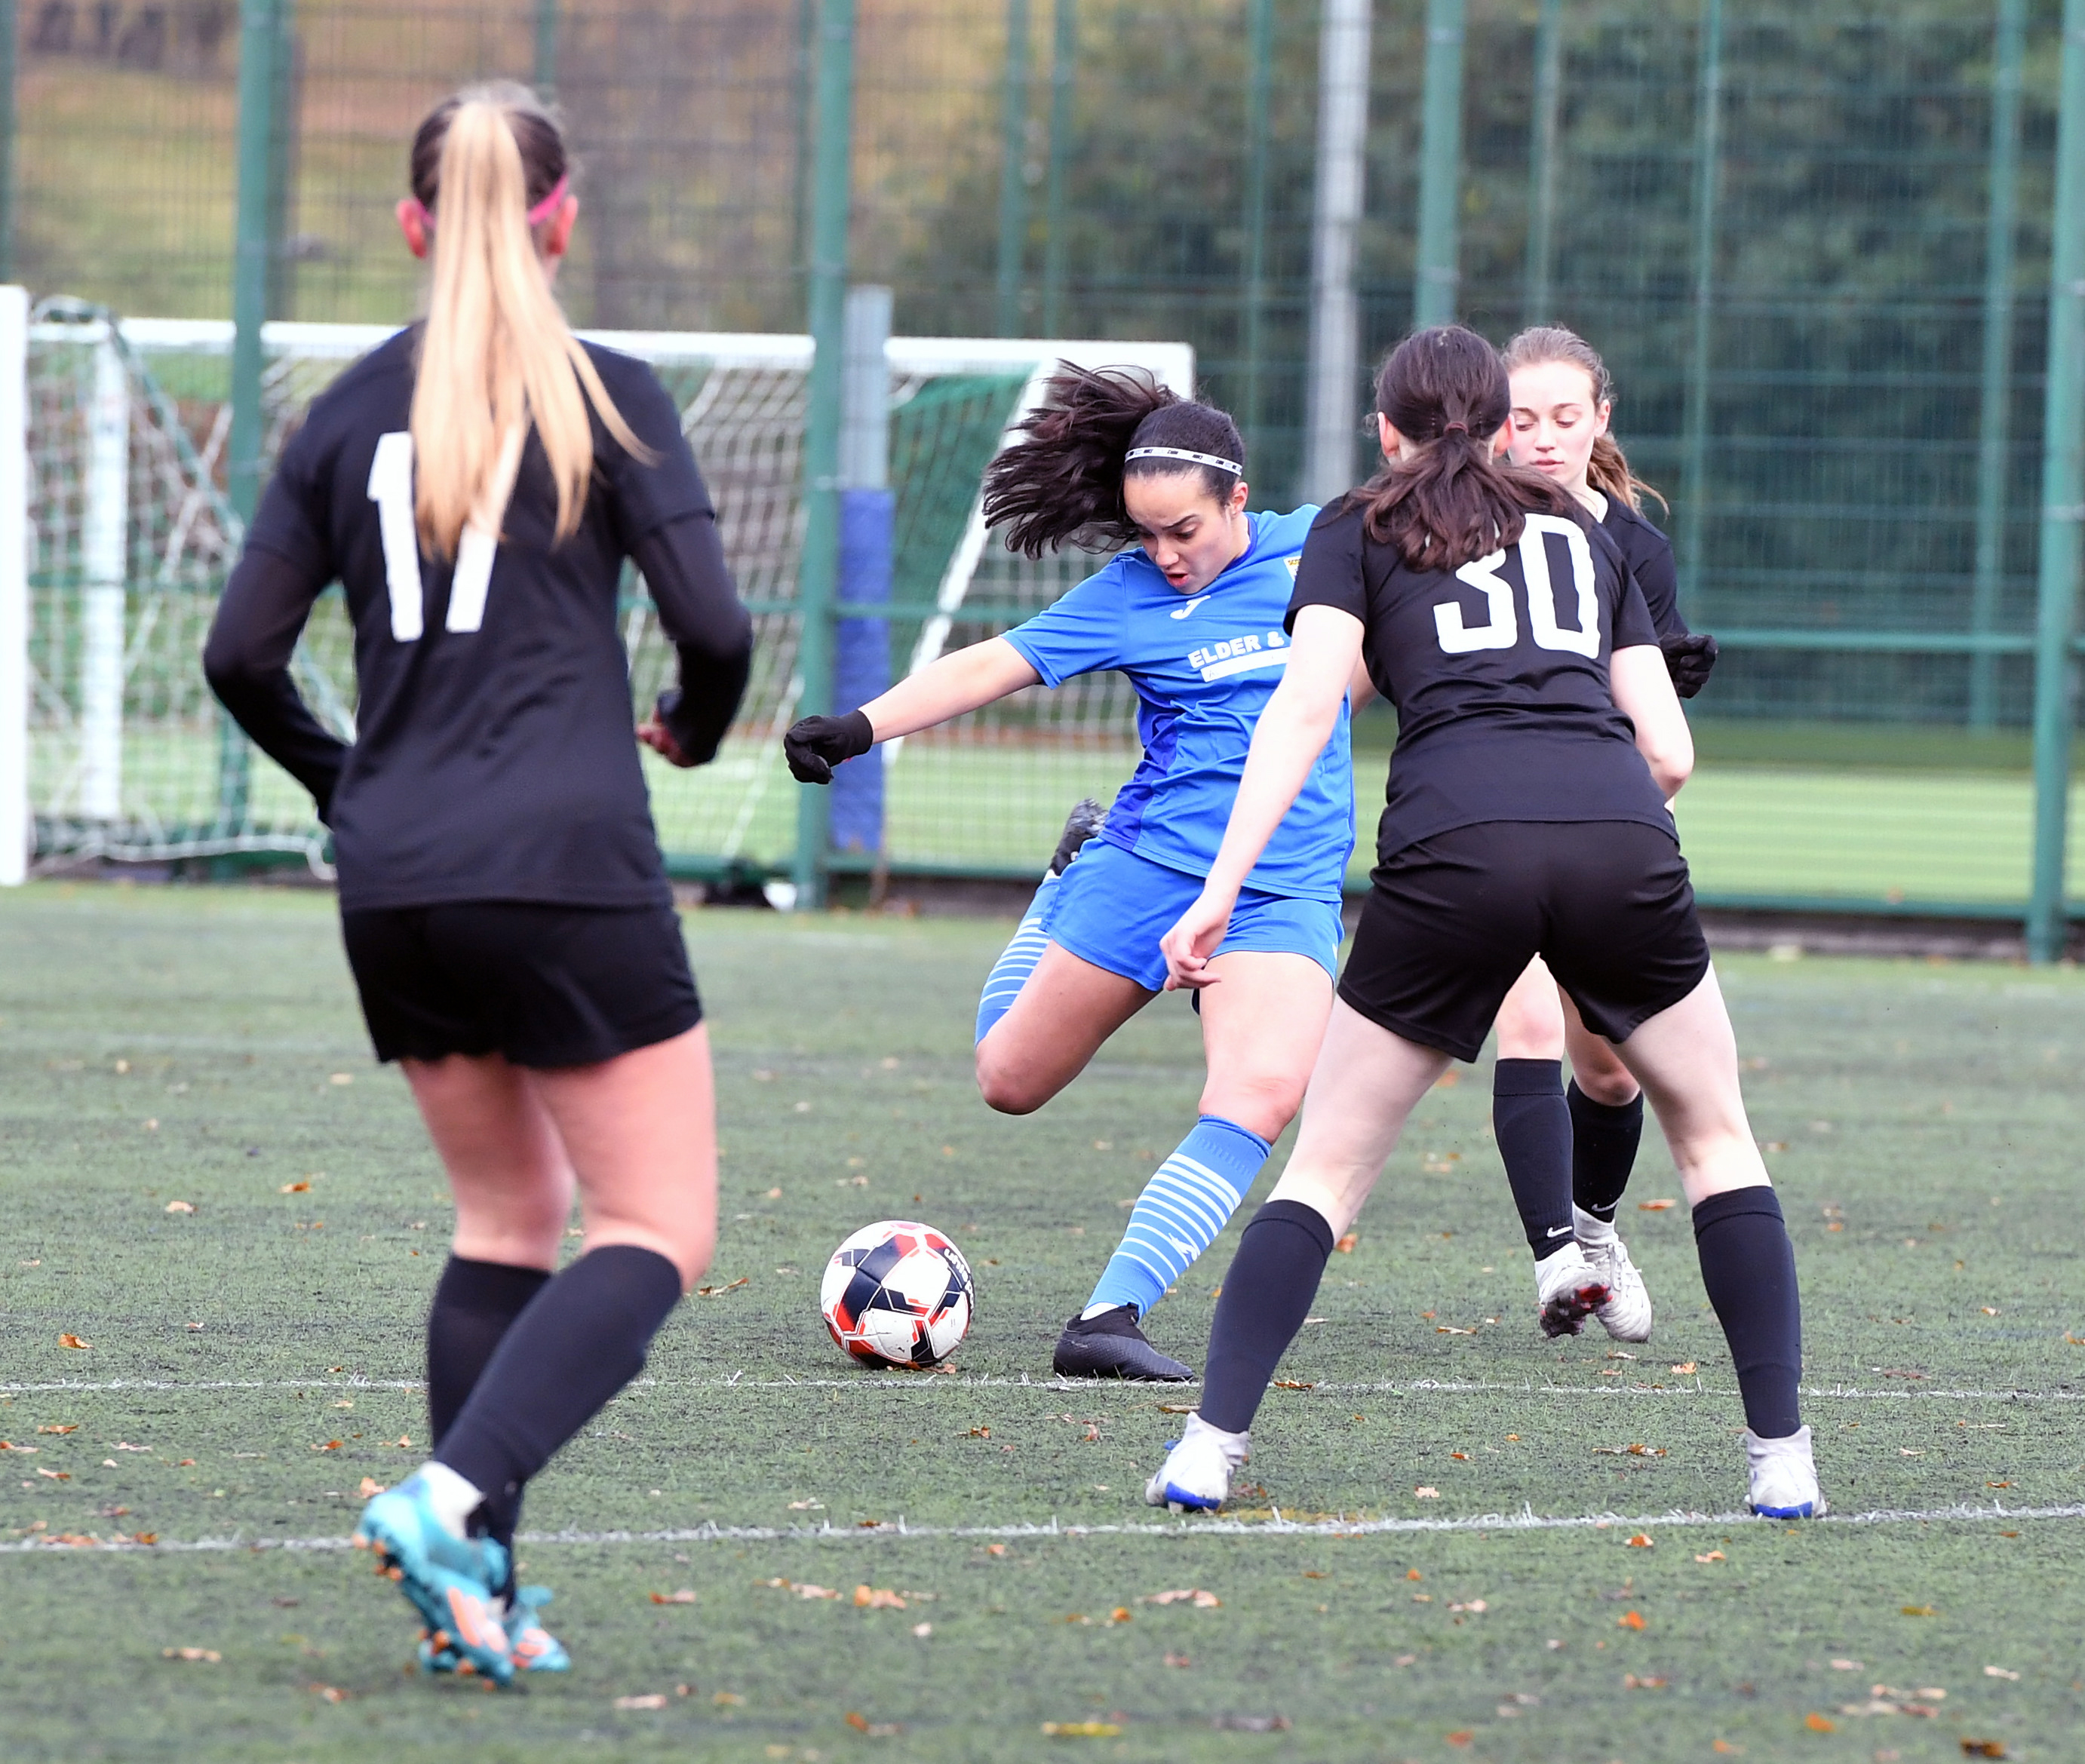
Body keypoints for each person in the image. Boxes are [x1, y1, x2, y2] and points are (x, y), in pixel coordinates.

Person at [203, 83, 754, 1683]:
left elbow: (239, 658)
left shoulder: (339, 415)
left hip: (395, 873)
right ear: (560, 218)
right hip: (565, 854)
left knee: (506, 1217)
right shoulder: (611, 392)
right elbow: (713, 635)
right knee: (657, 1223)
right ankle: (452, 1502)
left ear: (413, 225)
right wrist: (694, 734)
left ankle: (473, 1601)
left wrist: (347, 784)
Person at [1147, 325, 1821, 1522]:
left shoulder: (1357, 527)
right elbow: (1670, 749)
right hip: (1618, 835)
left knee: (1329, 1169)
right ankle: (1785, 1464)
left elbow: (1305, 715)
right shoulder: (1585, 528)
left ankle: (1208, 1448)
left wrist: (1216, 890)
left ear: (1388, 431)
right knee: (1719, 1144)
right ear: (1503, 420)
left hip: (1455, 844)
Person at [785, 366, 1354, 1381]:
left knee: (1262, 1093)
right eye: (1146, 533)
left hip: (1280, 886)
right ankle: (1064, 879)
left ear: (1238, 497)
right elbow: (989, 665)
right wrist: (860, 725)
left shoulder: (1328, 549)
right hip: (1149, 870)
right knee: (1009, 1080)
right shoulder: (1129, 594)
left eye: (1184, 530)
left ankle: (1108, 1318)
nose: (1164, 554)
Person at [1484, 324, 1721, 1342]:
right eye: (1521, 419)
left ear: (1601, 422)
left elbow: (1654, 717)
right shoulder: (1460, 527)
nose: (1543, 438)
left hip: (1615, 823)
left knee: (1611, 1069)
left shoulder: (1634, 547)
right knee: (1527, 1027)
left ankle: (1595, 1225)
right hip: (1493, 821)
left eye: (1565, 418)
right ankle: (1556, 1262)